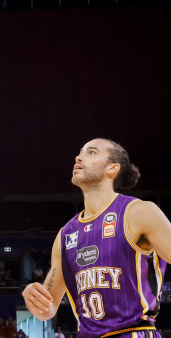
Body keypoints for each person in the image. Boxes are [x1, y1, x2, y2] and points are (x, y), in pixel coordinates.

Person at [22, 138, 170, 337]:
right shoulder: (66, 234)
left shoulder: (139, 212)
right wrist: (34, 298)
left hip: (133, 332)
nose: (79, 157)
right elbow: (47, 310)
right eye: (80, 152)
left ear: (112, 168)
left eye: (91, 152)